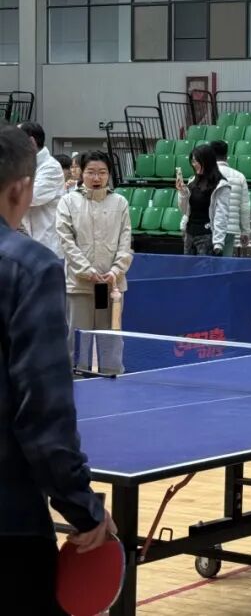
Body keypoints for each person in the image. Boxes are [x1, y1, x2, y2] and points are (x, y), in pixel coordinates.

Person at [0, 123, 114, 614]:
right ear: (21, 189)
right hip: (10, 524)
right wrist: (82, 507)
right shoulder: (29, 268)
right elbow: (42, 413)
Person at [56, 151, 133, 374]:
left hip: (109, 286)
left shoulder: (120, 203)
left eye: (102, 172)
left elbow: (126, 241)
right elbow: (66, 241)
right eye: (91, 172)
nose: (96, 178)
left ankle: (111, 374)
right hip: (80, 285)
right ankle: (76, 380)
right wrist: (86, 270)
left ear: (109, 174)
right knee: (78, 337)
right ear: (81, 173)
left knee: (109, 336)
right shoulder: (68, 202)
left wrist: (116, 271)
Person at [17, 121, 65, 257]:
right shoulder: (25, 165)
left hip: (48, 244)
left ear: (31, 142)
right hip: (28, 242)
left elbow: (30, 197)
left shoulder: (51, 167)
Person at [177, 144, 230, 256]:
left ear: (206, 161)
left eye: (196, 161)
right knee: (187, 267)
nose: (194, 164)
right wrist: (182, 192)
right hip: (189, 234)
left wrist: (218, 243)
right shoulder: (192, 181)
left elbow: (221, 214)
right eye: (192, 161)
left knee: (204, 266)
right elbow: (184, 210)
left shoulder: (220, 184)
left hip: (207, 236)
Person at [209, 140, 251, 256]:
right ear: (226, 155)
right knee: (225, 263)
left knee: (207, 263)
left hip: (209, 227)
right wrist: (245, 231)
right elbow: (245, 207)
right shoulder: (239, 176)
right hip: (230, 228)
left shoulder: (205, 175)